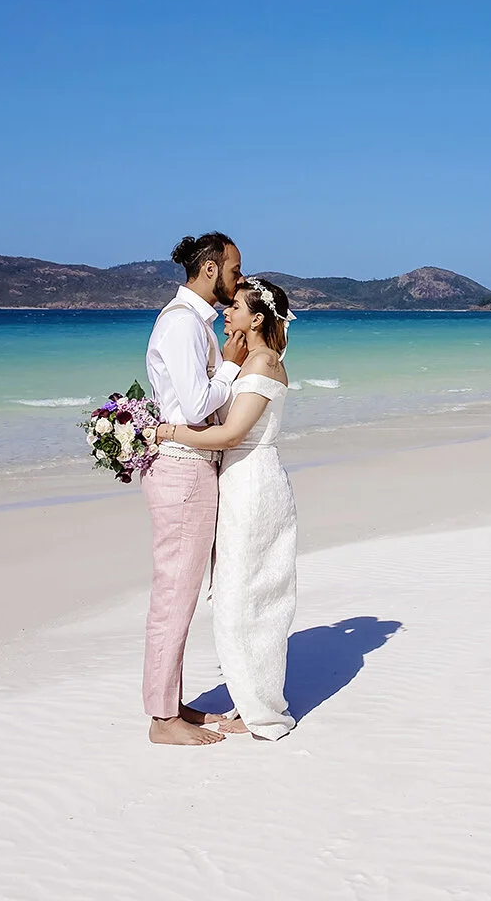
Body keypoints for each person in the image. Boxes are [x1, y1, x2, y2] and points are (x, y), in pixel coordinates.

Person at [151, 275, 299, 741]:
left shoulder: (263, 362)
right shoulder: (249, 359)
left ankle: (262, 710)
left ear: (256, 319)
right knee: (240, 596)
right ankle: (250, 700)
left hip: (252, 484)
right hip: (237, 481)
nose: (227, 311)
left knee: (246, 599)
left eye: (236, 306)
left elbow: (232, 435)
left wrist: (165, 432)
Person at [139, 231, 247, 746]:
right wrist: (231, 364)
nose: (238, 281)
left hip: (191, 467)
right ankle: (162, 720)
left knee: (179, 594)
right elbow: (198, 403)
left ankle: (171, 703)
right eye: (233, 270)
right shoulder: (183, 324)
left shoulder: (194, 323)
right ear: (209, 269)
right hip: (182, 470)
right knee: (174, 596)